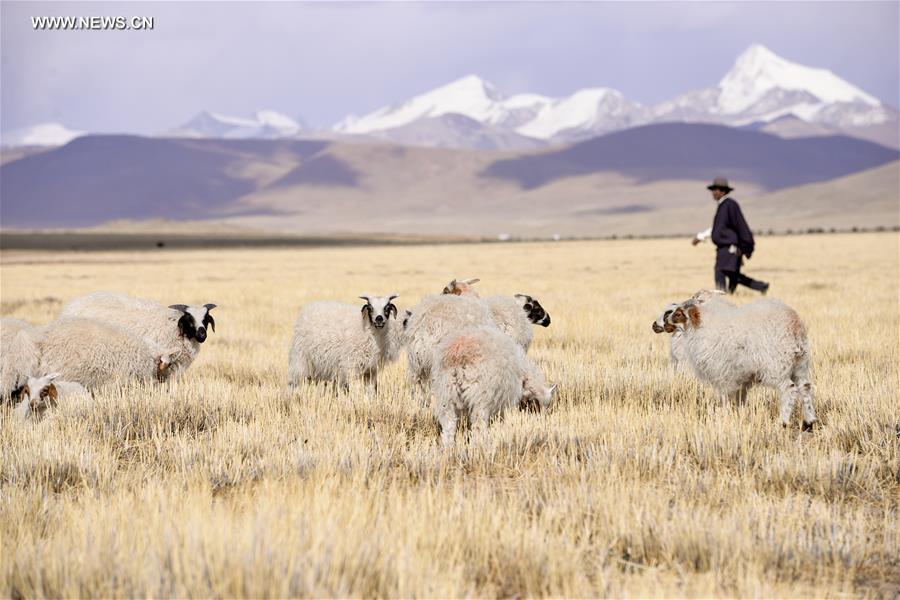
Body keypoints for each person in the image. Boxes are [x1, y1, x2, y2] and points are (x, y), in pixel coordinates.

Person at [692, 177, 769, 295]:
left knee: (721, 271)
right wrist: (701, 236)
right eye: (713, 189)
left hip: (729, 247)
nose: (713, 192)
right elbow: (719, 229)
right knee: (732, 274)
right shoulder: (723, 206)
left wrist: (744, 247)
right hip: (725, 248)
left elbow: (740, 226)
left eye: (716, 189)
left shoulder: (730, 205)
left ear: (723, 191)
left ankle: (720, 300)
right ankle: (761, 286)